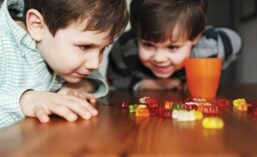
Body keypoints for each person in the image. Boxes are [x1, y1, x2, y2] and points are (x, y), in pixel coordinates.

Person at [0, 0, 128, 128]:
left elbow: (95, 79)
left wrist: (78, 86)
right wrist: (24, 101)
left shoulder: (55, 49)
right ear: (37, 26)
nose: (95, 64)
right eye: (84, 47)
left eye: (103, 48)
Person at [107, 0, 242, 91]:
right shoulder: (126, 47)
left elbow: (236, 42)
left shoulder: (209, 46)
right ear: (136, 35)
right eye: (148, 45)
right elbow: (115, 79)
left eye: (172, 47)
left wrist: (212, 70)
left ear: (195, 37)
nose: (159, 58)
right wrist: (147, 85)